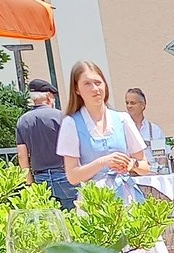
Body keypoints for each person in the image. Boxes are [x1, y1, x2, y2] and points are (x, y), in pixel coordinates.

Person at [57, 60, 150, 201]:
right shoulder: (71, 123)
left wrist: (132, 164)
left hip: (126, 197)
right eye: (87, 84)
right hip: (94, 201)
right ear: (77, 89)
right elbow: (73, 177)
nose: (95, 88)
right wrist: (103, 162)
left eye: (98, 82)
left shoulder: (122, 119)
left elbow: (144, 166)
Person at [15, 79, 75, 209]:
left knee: (48, 217)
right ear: (48, 96)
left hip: (40, 179)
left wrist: (29, 183)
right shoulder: (62, 117)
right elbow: (74, 147)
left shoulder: (23, 121)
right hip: (65, 175)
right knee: (73, 216)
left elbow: (22, 156)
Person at [125, 87, 168, 161]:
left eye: (132, 103)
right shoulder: (122, 129)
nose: (129, 106)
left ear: (143, 105)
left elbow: (161, 158)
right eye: (127, 103)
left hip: (152, 168)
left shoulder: (154, 130)